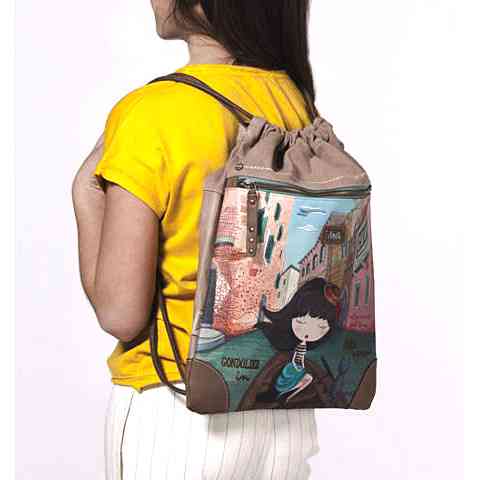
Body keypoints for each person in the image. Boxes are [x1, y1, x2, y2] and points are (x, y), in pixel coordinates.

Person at [71, 0, 321, 478]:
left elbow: (120, 314)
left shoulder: (154, 112)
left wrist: (84, 193)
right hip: (282, 410)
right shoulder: (293, 101)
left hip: (179, 408)